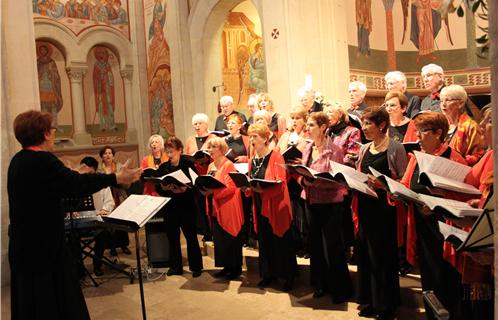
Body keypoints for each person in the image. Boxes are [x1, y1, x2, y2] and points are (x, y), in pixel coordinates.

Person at [7, 110, 140, 320]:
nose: (54, 133)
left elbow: (53, 187)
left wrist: (74, 175)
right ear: (44, 134)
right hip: (43, 248)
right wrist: (115, 177)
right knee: (51, 303)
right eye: (52, 130)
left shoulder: (19, 160)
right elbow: (74, 185)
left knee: (31, 303)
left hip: (25, 246)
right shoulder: (42, 160)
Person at [400, 111, 468, 319]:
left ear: (438, 133)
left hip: (445, 229)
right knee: (428, 276)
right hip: (422, 225)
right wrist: (395, 190)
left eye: (422, 132)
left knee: (445, 277)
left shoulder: (454, 158)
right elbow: (406, 183)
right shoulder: (417, 157)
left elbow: (466, 197)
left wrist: (436, 204)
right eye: (416, 131)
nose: (417, 136)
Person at [354, 106, 407, 320]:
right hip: (365, 207)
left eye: (368, 123)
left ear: (382, 125)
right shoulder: (365, 149)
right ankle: (370, 301)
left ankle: (386, 305)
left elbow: (404, 181)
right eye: (363, 123)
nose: (364, 127)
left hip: (385, 210)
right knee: (367, 256)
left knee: (383, 257)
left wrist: (384, 186)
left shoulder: (395, 148)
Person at [300, 112, 352, 303]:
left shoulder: (335, 149)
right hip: (311, 200)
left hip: (331, 203)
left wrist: (316, 182)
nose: (308, 128)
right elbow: (303, 172)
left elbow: (339, 181)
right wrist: (304, 179)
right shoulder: (308, 147)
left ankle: (340, 288)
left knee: (333, 246)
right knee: (315, 245)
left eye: (312, 124)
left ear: (323, 127)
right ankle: (320, 284)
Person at [244, 123, 297, 291]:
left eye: (255, 137)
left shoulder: (276, 157)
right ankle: (269, 274)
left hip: (276, 204)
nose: (252, 140)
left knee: (281, 240)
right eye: (251, 136)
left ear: (265, 139)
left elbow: (281, 183)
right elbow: (252, 181)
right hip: (260, 203)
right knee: (265, 240)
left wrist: (261, 189)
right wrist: (247, 187)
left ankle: (288, 277)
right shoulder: (252, 160)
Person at [155, 137, 203, 277]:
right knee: (173, 237)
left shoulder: (188, 164)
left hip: (186, 205)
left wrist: (185, 189)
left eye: (172, 152)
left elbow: (196, 184)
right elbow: (159, 187)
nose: (169, 155)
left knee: (191, 237)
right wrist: (164, 188)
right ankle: (176, 267)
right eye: (167, 152)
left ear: (180, 150)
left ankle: (196, 267)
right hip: (170, 206)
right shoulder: (164, 167)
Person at [202, 137, 245, 280]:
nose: (210, 150)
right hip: (215, 206)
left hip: (228, 206)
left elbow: (231, 188)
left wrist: (212, 192)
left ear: (221, 149)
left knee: (230, 237)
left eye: (213, 147)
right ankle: (226, 267)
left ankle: (235, 268)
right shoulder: (210, 166)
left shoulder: (228, 165)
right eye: (209, 147)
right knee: (220, 239)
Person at [276, 106, 309, 257]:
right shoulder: (285, 136)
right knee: (292, 213)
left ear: (305, 120)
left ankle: (307, 245)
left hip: (301, 177)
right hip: (287, 177)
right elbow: (277, 152)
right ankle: (295, 244)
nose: (295, 121)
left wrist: (301, 160)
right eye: (293, 118)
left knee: (303, 213)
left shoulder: (308, 135)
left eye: (298, 118)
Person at [77, 156, 116, 277]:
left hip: (97, 220)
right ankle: (79, 268)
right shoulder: (76, 184)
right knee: (71, 237)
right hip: (80, 221)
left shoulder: (101, 183)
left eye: (90, 173)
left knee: (102, 233)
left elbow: (110, 202)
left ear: (95, 171)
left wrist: (104, 210)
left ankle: (97, 264)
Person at [98, 145, 131, 256]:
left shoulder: (119, 166)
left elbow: (127, 183)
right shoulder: (99, 170)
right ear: (102, 156)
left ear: (113, 155)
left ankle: (124, 245)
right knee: (110, 224)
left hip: (119, 196)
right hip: (106, 198)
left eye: (110, 153)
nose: (108, 155)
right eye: (105, 153)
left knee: (122, 222)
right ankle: (112, 247)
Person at [440, 84, 485, 166]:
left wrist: (459, 161)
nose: (443, 104)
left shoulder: (471, 126)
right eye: (441, 100)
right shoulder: (441, 125)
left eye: (447, 100)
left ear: (460, 104)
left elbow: (478, 155)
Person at [37, 44, 63, 129]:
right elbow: (35, 73)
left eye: (44, 50)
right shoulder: (38, 62)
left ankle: (54, 124)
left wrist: (51, 71)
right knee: (43, 104)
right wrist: (40, 73)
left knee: (53, 104)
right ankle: (44, 124)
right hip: (41, 85)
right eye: (41, 50)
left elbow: (56, 74)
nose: (43, 51)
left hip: (50, 85)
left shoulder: (51, 61)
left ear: (47, 51)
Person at [93, 46, 116, 131]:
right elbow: (95, 77)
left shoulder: (107, 65)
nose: (101, 55)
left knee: (109, 105)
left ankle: (112, 125)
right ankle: (103, 126)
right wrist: (100, 77)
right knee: (101, 107)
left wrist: (107, 73)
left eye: (103, 53)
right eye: (99, 53)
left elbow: (111, 77)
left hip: (107, 89)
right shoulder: (96, 65)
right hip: (100, 90)